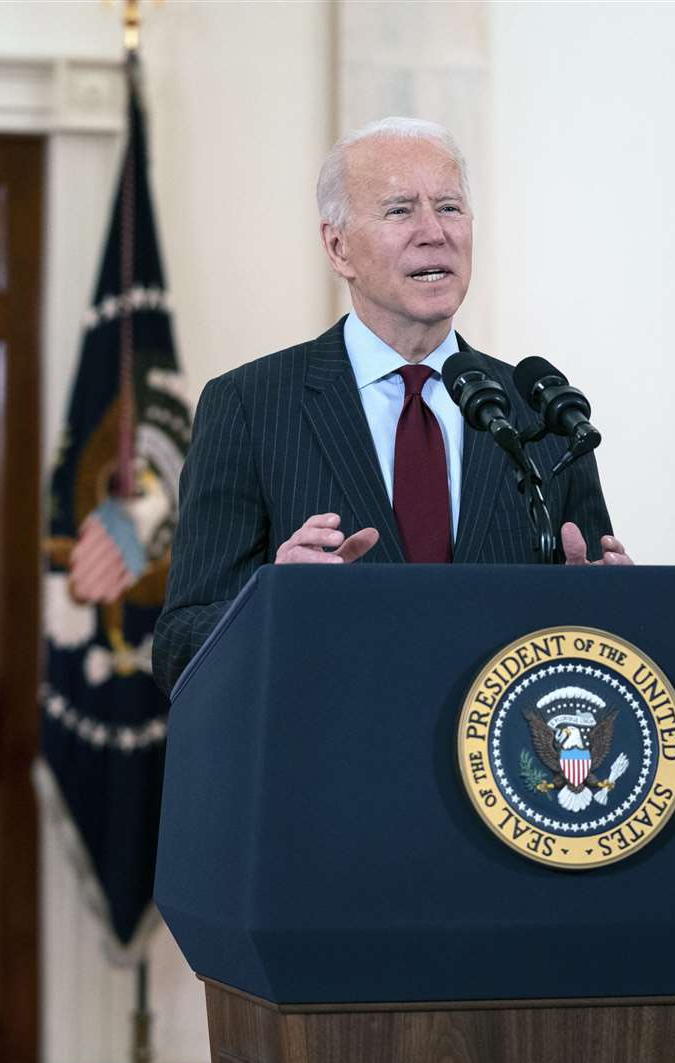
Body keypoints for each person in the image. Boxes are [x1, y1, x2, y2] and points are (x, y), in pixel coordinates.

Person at [151, 117, 632, 696]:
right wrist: (274, 602)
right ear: (338, 246)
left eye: (450, 208)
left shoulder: (540, 410)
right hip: (331, 763)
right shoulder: (251, 405)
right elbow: (179, 645)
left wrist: (612, 609)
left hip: (500, 768)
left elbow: (605, 636)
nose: (434, 232)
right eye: (401, 210)